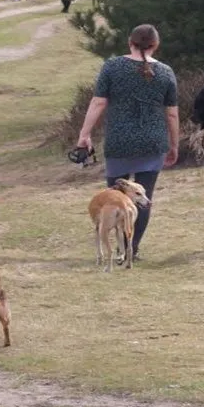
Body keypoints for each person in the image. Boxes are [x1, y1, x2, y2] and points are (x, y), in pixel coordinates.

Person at [75, 24, 180, 259]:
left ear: (129, 42)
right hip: (153, 140)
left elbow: (98, 102)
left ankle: (119, 248)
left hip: (119, 140)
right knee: (142, 199)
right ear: (155, 45)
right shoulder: (165, 72)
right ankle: (132, 249)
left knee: (115, 198)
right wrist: (174, 144)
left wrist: (84, 133)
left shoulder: (112, 66)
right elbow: (171, 112)